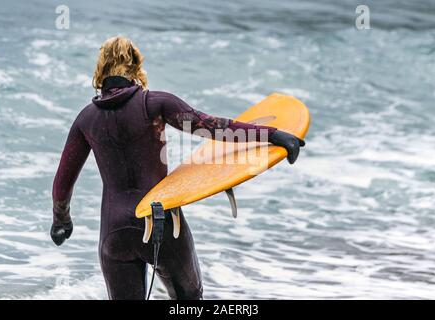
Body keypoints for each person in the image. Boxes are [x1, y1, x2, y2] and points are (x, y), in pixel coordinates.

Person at [50, 36, 305, 300]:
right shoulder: (155, 103)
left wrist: (61, 221)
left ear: (100, 71)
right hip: (162, 222)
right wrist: (273, 135)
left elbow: (62, 182)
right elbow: (214, 127)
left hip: (114, 232)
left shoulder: (85, 119)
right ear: (136, 65)